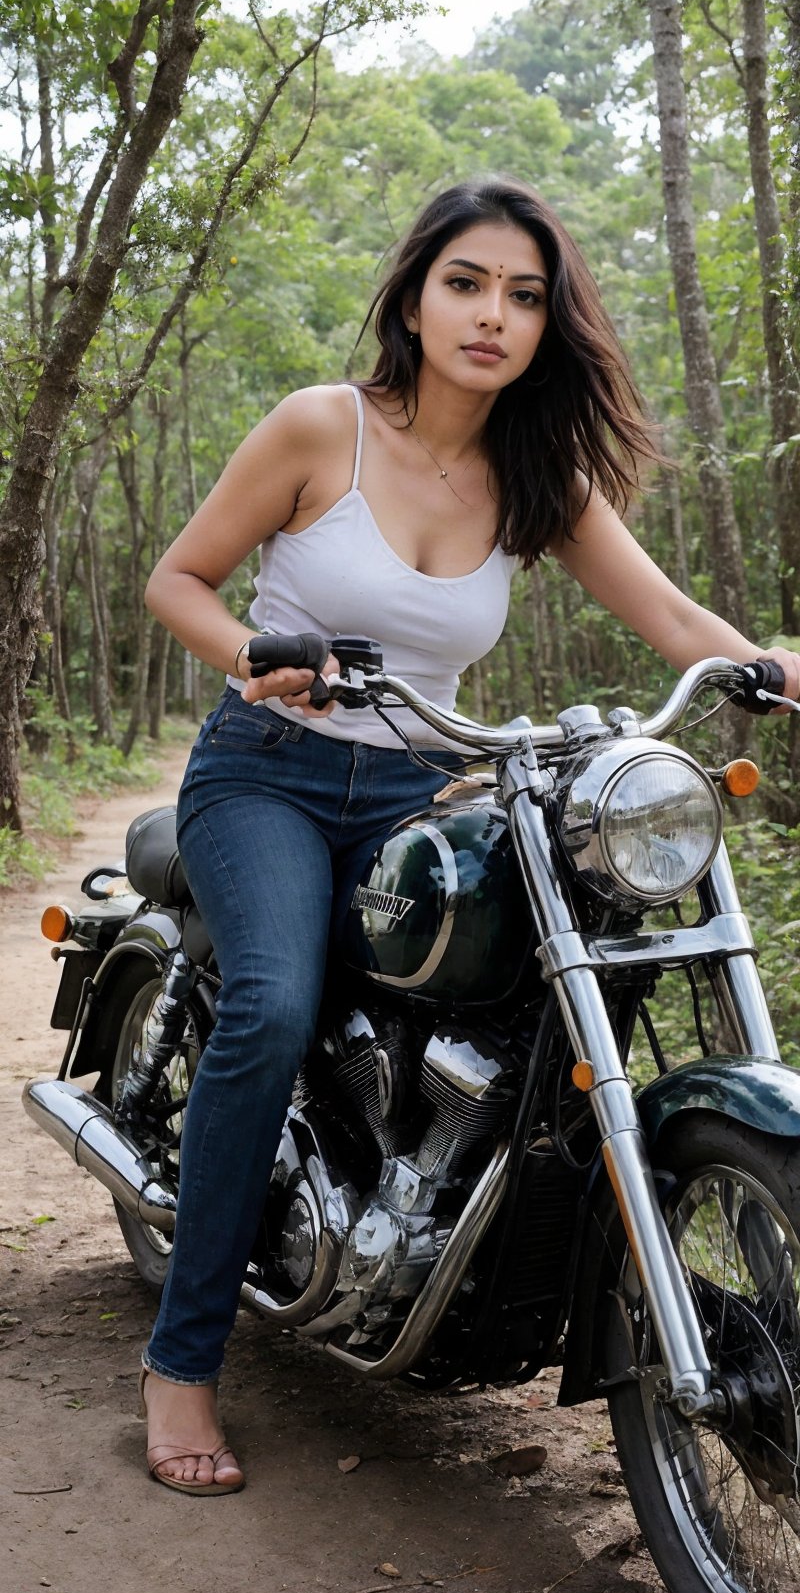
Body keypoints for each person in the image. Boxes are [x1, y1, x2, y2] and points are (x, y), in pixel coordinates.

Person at [140, 174, 800, 1494]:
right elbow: (178, 580)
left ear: (549, 325)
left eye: (525, 295)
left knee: (516, 978)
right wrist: (256, 658)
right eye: (467, 284)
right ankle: (182, 1363)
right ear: (416, 294)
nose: (493, 315)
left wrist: (773, 664)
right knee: (272, 1005)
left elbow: (674, 627)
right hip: (266, 773)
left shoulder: (539, 478)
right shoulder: (323, 429)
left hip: (416, 787)